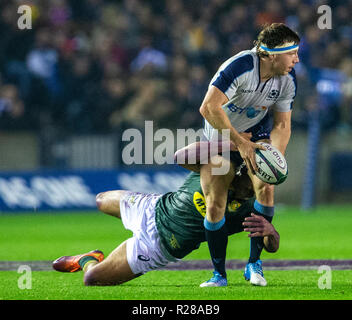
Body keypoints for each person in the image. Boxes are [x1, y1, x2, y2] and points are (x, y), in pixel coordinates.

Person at [195, 23, 299, 286]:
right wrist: (240, 143)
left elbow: (282, 125)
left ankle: (254, 263)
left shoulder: (287, 79)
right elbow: (208, 108)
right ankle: (219, 274)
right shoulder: (240, 67)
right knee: (215, 202)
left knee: (266, 188)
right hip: (219, 140)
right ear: (273, 54)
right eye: (292, 53)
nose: (296, 59)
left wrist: (273, 157)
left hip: (256, 135)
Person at [52, 168, 280, 287]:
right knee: (100, 199)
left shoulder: (248, 210)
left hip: (156, 246)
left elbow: (270, 246)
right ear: (242, 173)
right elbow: (183, 154)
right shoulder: (215, 170)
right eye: (253, 183)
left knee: (91, 279)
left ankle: (87, 259)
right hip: (152, 206)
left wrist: (271, 233)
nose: (254, 190)